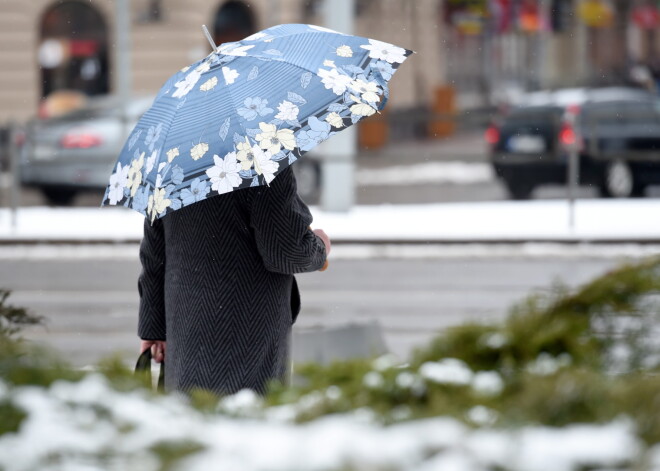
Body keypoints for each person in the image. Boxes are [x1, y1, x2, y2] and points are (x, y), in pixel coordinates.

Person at [137, 166, 330, 397]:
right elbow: (285, 252)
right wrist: (319, 246)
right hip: (248, 333)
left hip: (183, 329)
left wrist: (154, 328)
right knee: (245, 421)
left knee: (192, 415)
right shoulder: (260, 158)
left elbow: (154, 254)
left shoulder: (172, 163)